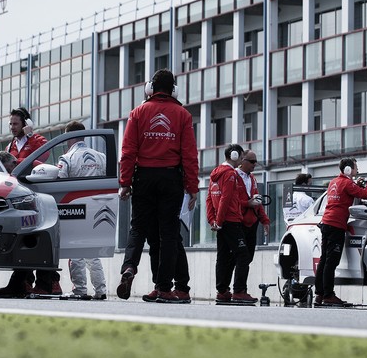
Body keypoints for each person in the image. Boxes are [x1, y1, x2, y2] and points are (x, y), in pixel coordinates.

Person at [117, 68, 198, 304]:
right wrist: (191, 186)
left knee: (138, 228)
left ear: (151, 87)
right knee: (168, 234)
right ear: (173, 89)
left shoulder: (138, 113)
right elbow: (189, 155)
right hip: (170, 178)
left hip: (143, 177)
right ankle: (163, 287)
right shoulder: (182, 115)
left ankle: (129, 266)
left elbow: (128, 151)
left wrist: (125, 182)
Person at [0, 108, 57, 297]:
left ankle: (46, 282)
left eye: (16, 124)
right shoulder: (10, 146)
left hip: (36, 195)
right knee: (24, 239)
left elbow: (43, 155)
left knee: (36, 237)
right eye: (10, 124)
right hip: (18, 197)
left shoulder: (35, 141)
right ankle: (25, 283)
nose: (12, 127)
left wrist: (31, 136)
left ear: (26, 124)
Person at [314, 158, 367, 307]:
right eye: (356, 168)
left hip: (327, 223)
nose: (357, 170)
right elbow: (366, 194)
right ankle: (329, 295)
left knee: (324, 260)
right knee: (332, 261)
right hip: (336, 225)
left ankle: (320, 294)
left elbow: (346, 192)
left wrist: (356, 182)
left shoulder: (334, 182)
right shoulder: (347, 183)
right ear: (348, 169)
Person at [57, 120, 108, 300]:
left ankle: (79, 290)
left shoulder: (67, 158)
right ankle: (101, 290)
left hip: (76, 209)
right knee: (92, 251)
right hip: (99, 209)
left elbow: (59, 186)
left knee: (76, 251)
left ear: (68, 137)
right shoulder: (101, 156)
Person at [208, 143, 256, 305]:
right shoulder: (230, 174)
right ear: (234, 156)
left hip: (222, 222)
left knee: (223, 256)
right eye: (241, 157)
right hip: (231, 221)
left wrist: (212, 220)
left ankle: (222, 291)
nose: (242, 161)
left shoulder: (214, 174)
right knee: (243, 255)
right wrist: (220, 221)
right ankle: (239, 291)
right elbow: (225, 199)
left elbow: (210, 199)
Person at [236, 150, 269, 301]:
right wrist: (246, 203)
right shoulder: (233, 176)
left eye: (256, 162)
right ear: (242, 160)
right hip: (238, 222)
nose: (255, 165)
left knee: (247, 258)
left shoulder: (253, 178)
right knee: (239, 257)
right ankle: (237, 290)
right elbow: (230, 201)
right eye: (252, 161)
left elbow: (257, 202)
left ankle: (240, 289)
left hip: (252, 222)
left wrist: (264, 220)